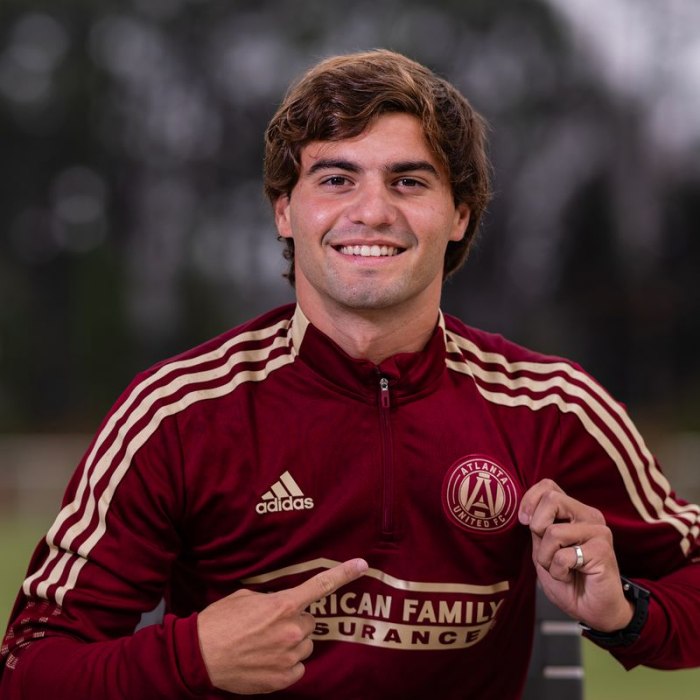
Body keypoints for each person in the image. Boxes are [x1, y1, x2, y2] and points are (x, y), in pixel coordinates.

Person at [1, 49, 699, 700]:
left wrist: (626, 612)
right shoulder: (177, 412)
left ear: (460, 215)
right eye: (337, 179)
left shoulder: (551, 407)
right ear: (285, 210)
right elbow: (29, 667)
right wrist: (194, 657)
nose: (372, 211)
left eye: (409, 181)